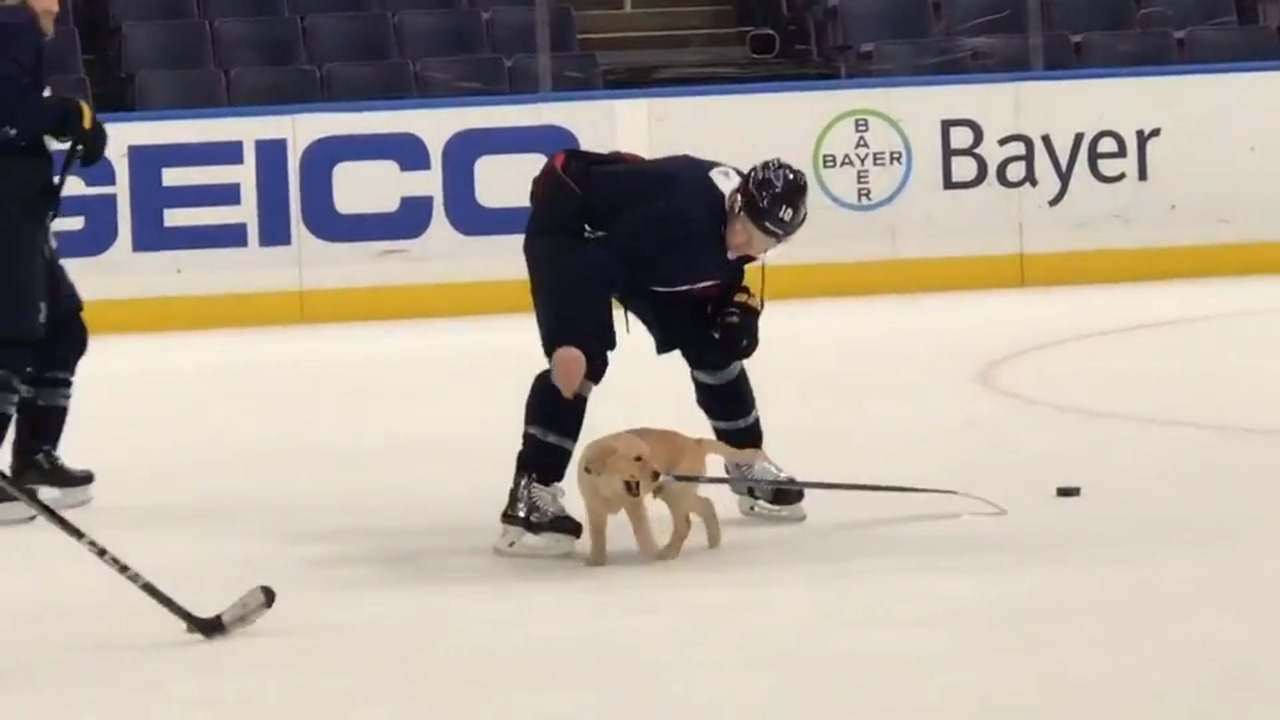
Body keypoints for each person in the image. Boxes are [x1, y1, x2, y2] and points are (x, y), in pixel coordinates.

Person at [494, 148, 810, 558]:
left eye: (765, 239)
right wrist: (574, 334)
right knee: (577, 363)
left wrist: (732, 308)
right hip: (576, 228)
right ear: (736, 203)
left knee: (714, 346)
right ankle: (530, 493)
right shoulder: (682, 212)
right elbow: (602, 264)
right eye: (744, 226)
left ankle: (746, 460)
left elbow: (709, 267)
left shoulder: (725, 229)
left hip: (651, 250)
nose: (745, 243)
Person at [0, 0, 107, 525]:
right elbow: (8, 117)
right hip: (5, 212)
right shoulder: (10, 25)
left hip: (19, 209)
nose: (57, 5)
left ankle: (35, 457)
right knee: (13, 335)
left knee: (62, 328)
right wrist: (68, 113)